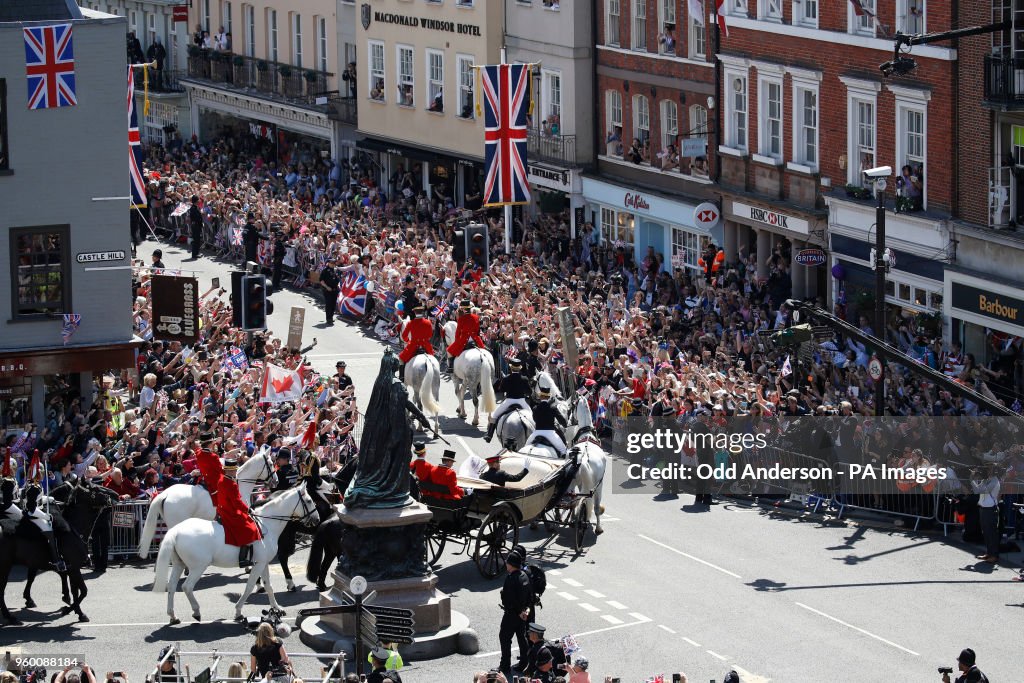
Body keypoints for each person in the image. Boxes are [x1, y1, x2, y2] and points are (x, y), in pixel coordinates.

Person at [194, 432, 262, 567]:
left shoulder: (199, 453)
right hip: (227, 507)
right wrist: (248, 509)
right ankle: (243, 558)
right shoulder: (225, 477)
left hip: (208, 482)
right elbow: (236, 501)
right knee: (250, 528)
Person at [497, 551, 533, 675]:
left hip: (512, 615)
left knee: (505, 638)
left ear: (511, 564)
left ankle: (505, 666)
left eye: (508, 562)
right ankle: (524, 662)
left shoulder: (510, 579)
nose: (506, 563)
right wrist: (526, 610)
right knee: (521, 638)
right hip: (523, 614)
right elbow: (530, 596)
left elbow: (509, 599)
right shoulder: (524, 576)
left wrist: (518, 612)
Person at [485, 358, 531, 442]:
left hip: (509, 400)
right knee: (532, 417)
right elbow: (529, 392)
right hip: (521, 401)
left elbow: (501, 389)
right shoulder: (524, 378)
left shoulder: (506, 378)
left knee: (494, 415)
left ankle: (489, 435)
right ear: (520, 368)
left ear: (511, 368)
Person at [524, 386, 567, 457]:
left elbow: (535, 419)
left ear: (540, 397)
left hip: (536, 433)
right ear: (549, 397)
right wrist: (564, 424)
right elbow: (563, 422)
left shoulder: (535, 408)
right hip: (551, 434)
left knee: (525, 448)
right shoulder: (553, 408)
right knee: (564, 451)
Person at [971, 464, 1000, 563]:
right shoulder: (986, 480)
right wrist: (974, 478)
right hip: (983, 509)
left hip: (990, 510)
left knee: (991, 533)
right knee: (986, 532)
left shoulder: (995, 481)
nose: (986, 471)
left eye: (988, 469)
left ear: (994, 471)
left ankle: (994, 555)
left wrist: (973, 479)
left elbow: (980, 490)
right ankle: (989, 552)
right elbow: (977, 491)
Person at [398, 303, 434, 382]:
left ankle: (401, 377)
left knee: (401, 358)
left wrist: (408, 341)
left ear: (414, 312)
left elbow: (404, 336)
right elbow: (430, 335)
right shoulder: (428, 322)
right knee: (433, 361)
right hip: (426, 346)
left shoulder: (411, 323)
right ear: (422, 312)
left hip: (413, 345)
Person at [319, 258, 340, 326]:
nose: (333, 264)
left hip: (334, 289)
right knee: (329, 304)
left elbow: (337, 279)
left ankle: (331, 317)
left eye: (334, 263)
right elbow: (321, 281)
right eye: (331, 263)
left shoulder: (335, 270)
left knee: (333, 304)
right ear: (328, 263)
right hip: (327, 290)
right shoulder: (325, 271)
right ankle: (328, 319)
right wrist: (327, 287)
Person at [187, 195, 204, 259]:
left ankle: (196, 253)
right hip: (195, 225)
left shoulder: (195, 207)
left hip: (197, 225)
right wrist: (200, 214)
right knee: (196, 240)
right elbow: (196, 218)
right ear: (196, 201)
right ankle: (194, 254)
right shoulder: (193, 208)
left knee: (197, 240)